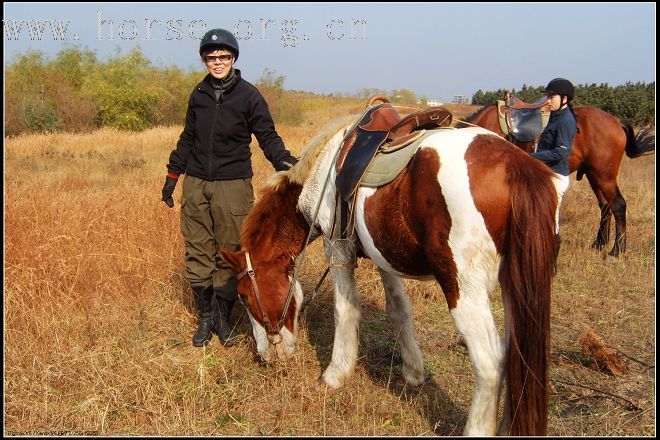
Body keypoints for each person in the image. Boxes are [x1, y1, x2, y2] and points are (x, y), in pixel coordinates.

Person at [161, 28, 298, 347]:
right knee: (197, 249)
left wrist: (286, 162)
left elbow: (267, 137)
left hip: (232, 185)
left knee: (229, 252)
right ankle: (205, 316)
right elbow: (188, 137)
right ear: (204, 60)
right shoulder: (199, 94)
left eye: (223, 56)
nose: (217, 62)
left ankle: (223, 318)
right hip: (196, 183)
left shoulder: (249, 96)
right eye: (211, 57)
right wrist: (172, 177)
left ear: (233, 58)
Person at [529, 77, 578, 270]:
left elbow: (561, 152)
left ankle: (551, 265)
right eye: (547, 96)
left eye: (552, 96)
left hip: (556, 176)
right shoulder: (556, 116)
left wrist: (531, 157)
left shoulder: (565, 120)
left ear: (564, 99)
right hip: (548, 174)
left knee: (551, 221)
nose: (548, 100)